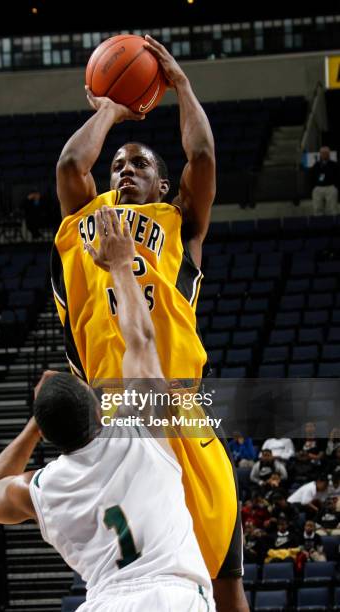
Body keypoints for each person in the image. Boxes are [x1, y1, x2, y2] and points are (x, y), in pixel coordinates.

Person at [53, 34, 246, 610]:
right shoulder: (87, 218)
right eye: (117, 164)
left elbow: (204, 159)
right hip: (116, 417)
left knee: (223, 582)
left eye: (139, 163)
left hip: (179, 406)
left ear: (163, 185)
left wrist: (181, 85)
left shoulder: (178, 222)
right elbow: (71, 163)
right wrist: (112, 106)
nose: (124, 169)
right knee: (137, 582)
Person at [0, 209, 215, 611]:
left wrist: (35, 422)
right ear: (101, 410)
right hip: (172, 595)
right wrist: (121, 264)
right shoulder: (138, 429)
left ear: (49, 436)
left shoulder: (44, 488)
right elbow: (140, 338)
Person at [310, 146, 339, 215]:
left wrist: (336, 186)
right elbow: (311, 176)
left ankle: (333, 224)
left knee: (332, 208)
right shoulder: (316, 165)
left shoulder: (334, 165)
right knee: (317, 208)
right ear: (320, 154)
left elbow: (337, 176)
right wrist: (313, 186)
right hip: (318, 187)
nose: (324, 154)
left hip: (330, 187)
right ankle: (318, 224)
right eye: (323, 153)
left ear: (329, 154)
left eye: (326, 153)